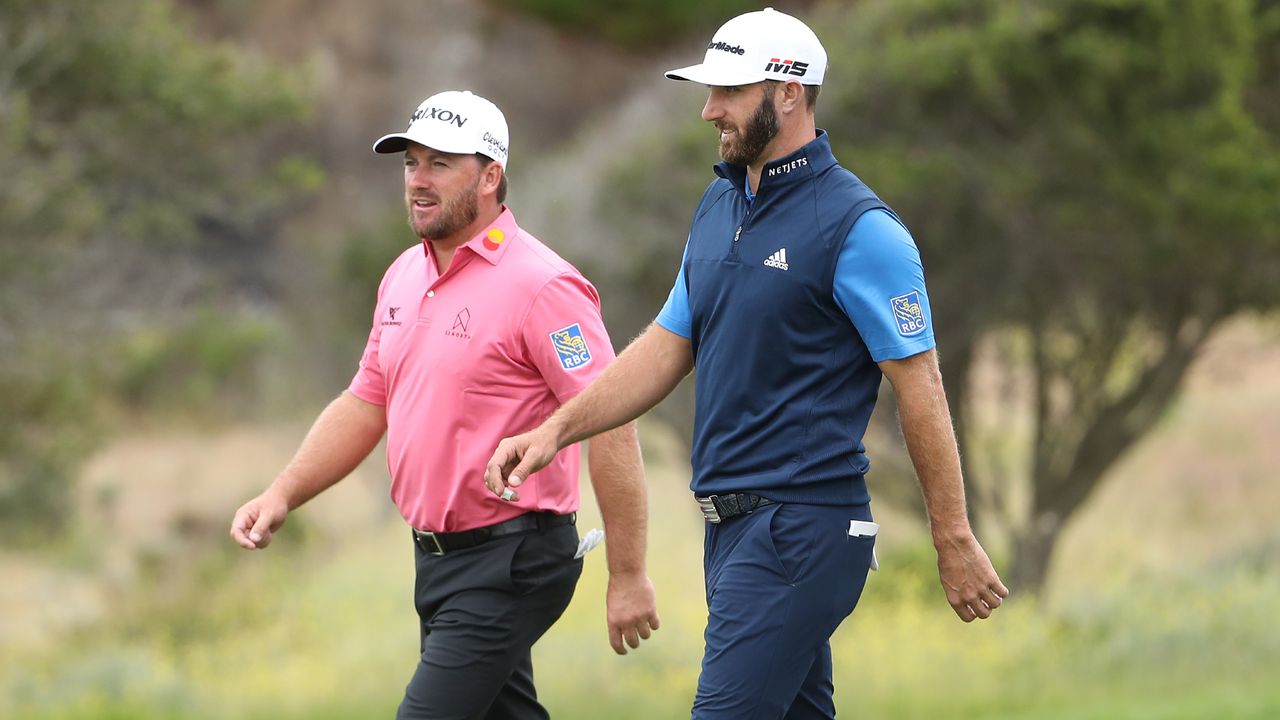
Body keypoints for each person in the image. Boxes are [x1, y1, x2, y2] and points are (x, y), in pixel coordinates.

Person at [485, 9, 1009, 719]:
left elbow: (921, 390)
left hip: (802, 530)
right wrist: (555, 431)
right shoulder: (718, 204)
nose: (709, 110)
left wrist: (952, 536)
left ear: (788, 93)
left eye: (729, 91)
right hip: (732, 533)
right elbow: (668, 345)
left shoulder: (859, 229)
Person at [229, 89, 659, 720]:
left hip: (514, 559)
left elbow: (612, 422)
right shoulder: (404, 273)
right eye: (411, 164)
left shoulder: (544, 285)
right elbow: (365, 401)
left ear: (491, 176)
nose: (418, 182)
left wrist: (627, 574)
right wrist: (283, 492)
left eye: (440, 164)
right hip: (437, 561)